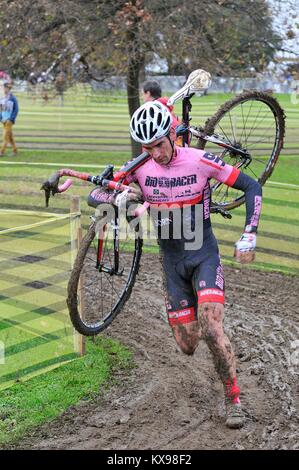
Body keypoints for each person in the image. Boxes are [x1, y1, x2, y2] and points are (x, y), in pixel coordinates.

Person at [89, 101, 262, 429]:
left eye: (159, 144)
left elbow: (251, 185)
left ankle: (233, 399)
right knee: (188, 344)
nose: (155, 153)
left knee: (212, 328)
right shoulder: (139, 166)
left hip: (203, 254)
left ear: (172, 134)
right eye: (147, 147)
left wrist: (249, 233)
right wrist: (118, 198)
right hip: (171, 262)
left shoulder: (199, 161)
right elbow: (96, 195)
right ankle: (192, 313)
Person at [0, 80, 19, 157]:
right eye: (3, 87)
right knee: (10, 136)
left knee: (5, 136)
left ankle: (1, 151)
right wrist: (1, 118)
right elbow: (0, 109)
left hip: (9, 121)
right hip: (3, 120)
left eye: (5, 88)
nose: (4, 89)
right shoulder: (1, 98)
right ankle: (15, 150)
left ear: (8, 88)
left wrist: (11, 119)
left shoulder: (13, 98)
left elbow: (16, 109)